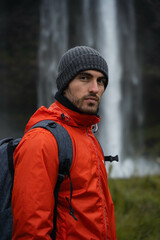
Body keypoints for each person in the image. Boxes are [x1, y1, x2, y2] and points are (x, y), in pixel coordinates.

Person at [11, 46, 117, 240]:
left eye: (101, 81)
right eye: (84, 78)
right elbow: (30, 229)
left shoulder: (89, 136)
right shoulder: (42, 140)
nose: (95, 88)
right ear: (65, 84)